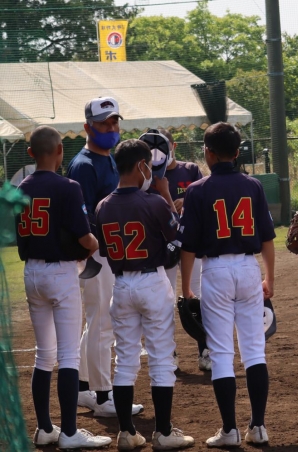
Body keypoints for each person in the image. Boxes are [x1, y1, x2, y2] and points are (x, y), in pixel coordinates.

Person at [178, 122, 276, 447]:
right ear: (237, 153)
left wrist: (186, 288)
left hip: (215, 270)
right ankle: (258, 427)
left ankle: (229, 431)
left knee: (221, 354)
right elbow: (267, 239)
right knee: (254, 350)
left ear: (207, 152)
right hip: (248, 268)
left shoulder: (196, 190)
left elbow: (188, 247)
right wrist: (269, 277)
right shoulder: (253, 185)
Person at [96, 139, 194, 450]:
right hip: (152, 281)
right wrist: (166, 198)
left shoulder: (102, 206)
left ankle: (127, 432)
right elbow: (177, 240)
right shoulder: (153, 202)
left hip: (121, 285)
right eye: (148, 166)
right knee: (161, 358)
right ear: (141, 165)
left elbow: (104, 250)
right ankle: (163, 433)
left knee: (125, 360)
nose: (150, 172)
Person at [17, 126, 112, 449]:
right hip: (60, 273)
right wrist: (94, 244)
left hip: (31, 272)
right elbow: (85, 238)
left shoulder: (19, 188)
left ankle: (45, 429)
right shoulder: (68, 186)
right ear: (60, 151)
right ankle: (70, 432)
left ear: (31, 153)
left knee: (43, 355)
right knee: (68, 355)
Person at [66, 97, 143, 417]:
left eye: (114, 122)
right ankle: (102, 396)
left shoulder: (108, 159)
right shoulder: (84, 165)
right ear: (87, 127)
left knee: (97, 322)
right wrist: (94, 251)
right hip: (97, 254)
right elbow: (80, 217)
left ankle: (84, 388)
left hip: (110, 252)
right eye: (103, 123)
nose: (111, 128)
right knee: (102, 324)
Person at [148, 129, 210, 371]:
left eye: (163, 147)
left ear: (173, 146)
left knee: (196, 297)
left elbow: (203, 197)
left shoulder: (190, 169)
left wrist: (187, 199)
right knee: (165, 300)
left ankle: (205, 350)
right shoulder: (149, 176)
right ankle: (169, 353)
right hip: (164, 245)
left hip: (191, 244)